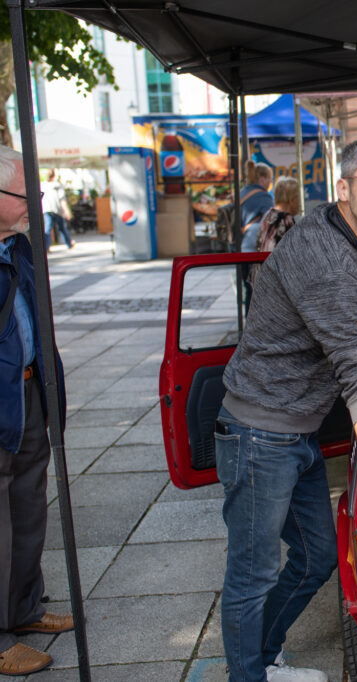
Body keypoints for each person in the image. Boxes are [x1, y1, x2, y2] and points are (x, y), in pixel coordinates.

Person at [215, 137, 357, 682]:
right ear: (342, 187)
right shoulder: (324, 259)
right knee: (253, 573)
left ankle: (262, 659)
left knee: (315, 557)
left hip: (299, 432)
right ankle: (249, 676)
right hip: (260, 432)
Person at [0, 145, 73, 677]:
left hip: (26, 395)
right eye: (26, 192)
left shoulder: (20, 247)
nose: (37, 200)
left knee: (28, 507)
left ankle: (22, 610)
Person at [239, 161, 274, 253]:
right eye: (269, 179)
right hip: (254, 243)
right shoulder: (264, 196)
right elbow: (272, 220)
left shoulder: (242, 192)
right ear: (262, 179)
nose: (271, 182)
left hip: (240, 243)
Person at [39, 170, 74, 251]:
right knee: (62, 228)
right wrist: (67, 211)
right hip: (57, 210)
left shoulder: (42, 185)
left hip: (46, 210)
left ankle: (46, 248)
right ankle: (69, 244)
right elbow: (62, 200)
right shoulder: (57, 185)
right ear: (54, 176)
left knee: (47, 229)